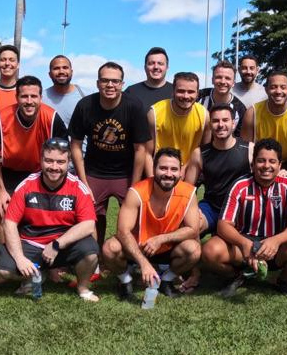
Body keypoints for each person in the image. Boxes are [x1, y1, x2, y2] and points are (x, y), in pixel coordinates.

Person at [202, 139, 287, 298]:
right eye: (261, 160)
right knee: (210, 251)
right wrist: (244, 243)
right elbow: (223, 225)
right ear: (253, 164)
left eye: (272, 161)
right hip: (244, 245)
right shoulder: (240, 185)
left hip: (277, 247)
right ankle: (236, 276)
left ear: (280, 165)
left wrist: (276, 241)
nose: (266, 166)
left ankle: (284, 281)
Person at [0, 138, 101, 302]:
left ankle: (83, 288)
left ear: (68, 162)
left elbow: (88, 224)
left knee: (91, 253)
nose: (54, 167)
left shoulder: (78, 187)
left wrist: (57, 244)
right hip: (31, 243)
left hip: (62, 246)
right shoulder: (26, 185)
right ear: (41, 160)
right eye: (49, 160)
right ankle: (36, 274)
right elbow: (9, 223)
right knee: (5, 270)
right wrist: (20, 259)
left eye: (60, 162)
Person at [69, 62, 151, 252]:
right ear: (98, 83)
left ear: (122, 84)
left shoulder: (133, 106)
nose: (110, 85)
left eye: (115, 81)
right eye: (105, 80)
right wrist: (84, 182)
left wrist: (134, 186)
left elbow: (140, 149)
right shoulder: (85, 105)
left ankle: (127, 256)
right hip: (94, 171)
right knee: (90, 216)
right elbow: (75, 145)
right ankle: (94, 255)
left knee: (133, 216)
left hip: (125, 172)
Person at [103, 147, 201, 302]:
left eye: (174, 169)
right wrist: (143, 263)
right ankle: (125, 281)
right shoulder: (137, 192)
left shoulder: (188, 193)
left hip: (167, 248)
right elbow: (122, 231)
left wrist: (160, 239)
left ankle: (166, 280)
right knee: (110, 248)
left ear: (180, 172)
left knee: (194, 249)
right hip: (138, 246)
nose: (168, 174)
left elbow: (193, 229)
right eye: (163, 168)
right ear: (154, 169)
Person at [0, 75, 67, 213]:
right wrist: (1, 190)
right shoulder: (2, 117)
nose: (29, 101)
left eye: (34, 96)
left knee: (39, 216)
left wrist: (55, 182)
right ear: (16, 97)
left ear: (40, 98)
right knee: (4, 214)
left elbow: (64, 154)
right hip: (8, 175)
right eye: (24, 96)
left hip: (40, 174)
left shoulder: (52, 118)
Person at [241, 70, 287, 207]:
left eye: (283, 87)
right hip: (261, 162)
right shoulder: (252, 113)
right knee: (260, 204)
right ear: (266, 90)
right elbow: (246, 152)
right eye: (273, 87)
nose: (278, 91)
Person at [189, 105, 251, 235]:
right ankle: (195, 247)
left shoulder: (249, 149)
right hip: (211, 208)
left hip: (240, 209)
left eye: (225, 120)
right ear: (210, 125)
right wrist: (193, 210)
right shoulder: (200, 153)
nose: (220, 125)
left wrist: (280, 173)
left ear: (233, 124)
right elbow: (187, 188)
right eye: (216, 121)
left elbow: (266, 173)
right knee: (193, 224)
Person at [149, 71, 208, 167]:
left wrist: (185, 168)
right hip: (161, 169)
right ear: (173, 91)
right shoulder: (154, 113)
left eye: (191, 92)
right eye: (181, 91)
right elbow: (146, 152)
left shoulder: (204, 115)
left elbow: (205, 152)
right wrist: (151, 175)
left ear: (197, 94)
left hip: (190, 169)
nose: (186, 96)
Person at [197, 60, 247, 137]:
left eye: (227, 78)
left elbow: (238, 139)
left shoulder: (240, 109)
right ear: (212, 80)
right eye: (219, 77)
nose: (223, 81)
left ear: (233, 83)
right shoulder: (199, 97)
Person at [43, 54, 86, 127]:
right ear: (49, 74)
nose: (61, 71)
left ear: (71, 72)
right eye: (56, 68)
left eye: (65, 67)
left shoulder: (86, 95)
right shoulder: (41, 98)